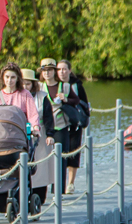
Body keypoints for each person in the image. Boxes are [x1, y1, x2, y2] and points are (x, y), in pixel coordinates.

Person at [40, 58, 79, 192]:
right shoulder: (39, 87)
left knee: (61, 159)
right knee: (43, 159)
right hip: (45, 128)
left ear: (54, 72)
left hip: (60, 126)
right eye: (44, 71)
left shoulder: (65, 86)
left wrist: (65, 99)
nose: (47, 73)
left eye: (50, 70)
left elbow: (76, 100)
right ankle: (43, 189)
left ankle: (59, 190)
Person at [22, 69, 56, 203]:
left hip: (39, 136)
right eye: (23, 84)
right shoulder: (16, 96)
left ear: (33, 84)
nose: (25, 87)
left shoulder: (42, 97)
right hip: (21, 135)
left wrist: (50, 135)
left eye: (28, 84)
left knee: (41, 168)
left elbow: (48, 118)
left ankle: (39, 198)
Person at [58, 59, 87, 194]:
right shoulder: (54, 85)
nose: (62, 72)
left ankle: (70, 183)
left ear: (70, 70)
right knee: (60, 153)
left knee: (74, 152)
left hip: (74, 123)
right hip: (59, 124)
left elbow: (84, 103)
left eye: (64, 69)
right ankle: (59, 182)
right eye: (59, 69)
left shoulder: (76, 85)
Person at [0, 63, 41, 136]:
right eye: (7, 77)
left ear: (18, 78)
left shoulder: (25, 94)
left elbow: (33, 114)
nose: (9, 80)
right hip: (2, 135)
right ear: (2, 77)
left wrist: (35, 128)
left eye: (13, 77)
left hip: (19, 133)